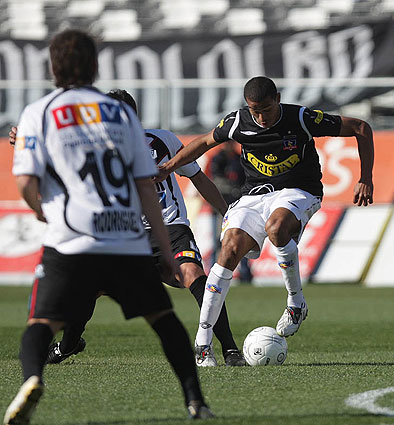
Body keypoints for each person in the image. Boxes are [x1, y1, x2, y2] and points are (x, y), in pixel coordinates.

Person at [3, 30, 213, 424]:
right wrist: (164, 247)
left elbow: (27, 182)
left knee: (42, 322)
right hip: (126, 238)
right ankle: (195, 401)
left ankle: (32, 379)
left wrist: (42, 211)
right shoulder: (120, 115)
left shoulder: (40, 112)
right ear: (95, 66)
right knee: (163, 319)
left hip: (72, 237)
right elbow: (145, 185)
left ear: (53, 68)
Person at [157, 76, 374, 362]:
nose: (261, 117)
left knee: (277, 227)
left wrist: (365, 177)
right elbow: (203, 142)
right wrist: (167, 168)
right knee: (228, 249)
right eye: (255, 111)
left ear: (278, 99)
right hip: (253, 196)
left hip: (298, 190)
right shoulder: (238, 121)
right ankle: (203, 343)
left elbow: (360, 127)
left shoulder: (301, 118)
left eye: (266, 110)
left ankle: (295, 303)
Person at [40, 89, 245, 368]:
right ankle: (67, 346)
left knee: (195, 275)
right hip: (124, 235)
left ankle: (230, 349)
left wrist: (227, 213)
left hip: (170, 228)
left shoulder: (162, 141)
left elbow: (198, 177)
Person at [209, 141, 253, 283]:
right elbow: (216, 181)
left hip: (238, 204)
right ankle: (214, 272)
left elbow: (246, 178)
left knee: (243, 238)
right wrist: (234, 189)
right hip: (221, 205)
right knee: (218, 240)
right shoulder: (218, 158)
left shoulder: (239, 158)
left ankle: (245, 273)